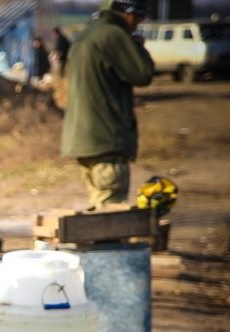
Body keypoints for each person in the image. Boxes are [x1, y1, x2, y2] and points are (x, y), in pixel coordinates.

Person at [61, 0, 154, 210]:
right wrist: (138, 47)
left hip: (84, 140)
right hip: (106, 140)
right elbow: (143, 74)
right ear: (127, 14)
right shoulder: (113, 35)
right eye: (138, 18)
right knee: (110, 216)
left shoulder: (86, 34)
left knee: (99, 208)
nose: (137, 24)